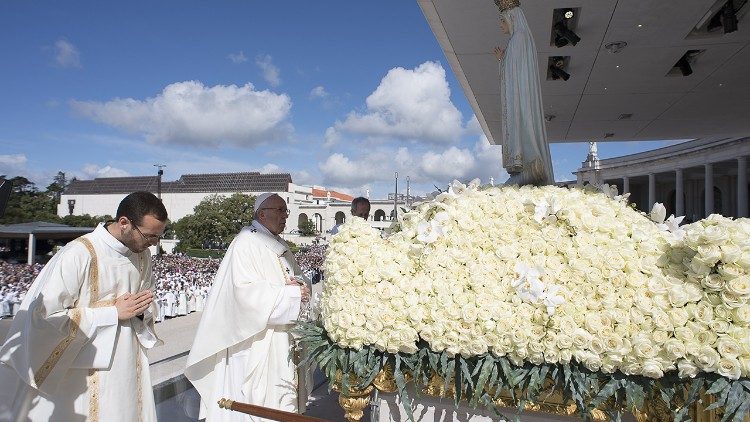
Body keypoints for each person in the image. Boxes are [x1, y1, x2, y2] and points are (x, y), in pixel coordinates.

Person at [0, 191, 167, 421]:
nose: (154, 244)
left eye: (158, 237)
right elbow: (46, 317)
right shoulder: (80, 253)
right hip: (85, 370)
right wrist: (112, 313)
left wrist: (142, 311)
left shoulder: (142, 256)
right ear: (124, 223)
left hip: (129, 363)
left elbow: (146, 302)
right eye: (149, 236)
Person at [185, 193, 311, 421]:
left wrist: (300, 287)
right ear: (262, 214)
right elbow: (243, 295)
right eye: (279, 211)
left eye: (286, 211)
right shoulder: (245, 243)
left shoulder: (278, 244)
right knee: (257, 406)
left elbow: (298, 279)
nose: (285, 216)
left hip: (281, 340)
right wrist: (290, 293)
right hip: (255, 343)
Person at [493, 0, 555, 186]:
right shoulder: (518, 40)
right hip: (518, 94)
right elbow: (514, 70)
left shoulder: (518, 39)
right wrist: (502, 60)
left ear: (512, 19)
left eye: (503, 21)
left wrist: (503, 61)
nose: (501, 25)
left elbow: (515, 74)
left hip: (519, 96)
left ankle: (529, 164)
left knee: (522, 123)